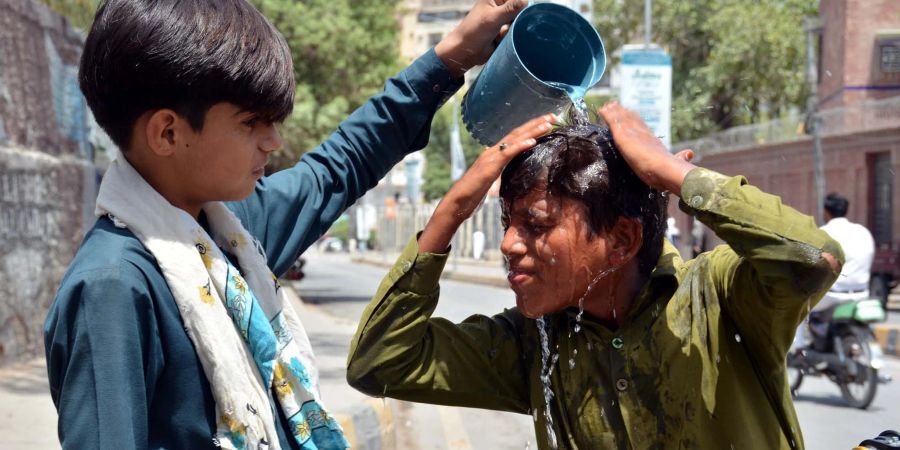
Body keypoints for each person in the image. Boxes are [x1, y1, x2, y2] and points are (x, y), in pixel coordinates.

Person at [42, 0, 527, 449]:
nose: (273, 141)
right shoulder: (114, 287)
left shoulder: (229, 235)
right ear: (168, 132)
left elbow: (341, 164)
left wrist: (451, 58)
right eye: (251, 122)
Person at [346, 103, 844, 449]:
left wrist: (671, 174)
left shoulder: (719, 298)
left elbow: (812, 261)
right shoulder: (536, 340)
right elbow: (381, 363)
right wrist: (452, 210)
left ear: (622, 241)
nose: (508, 245)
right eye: (507, 224)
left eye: (536, 225)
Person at [816, 192, 876, 310]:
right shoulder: (863, 231)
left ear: (826, 212)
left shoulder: (823, 233)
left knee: (799, 313)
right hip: (862, 295)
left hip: (832, 296)